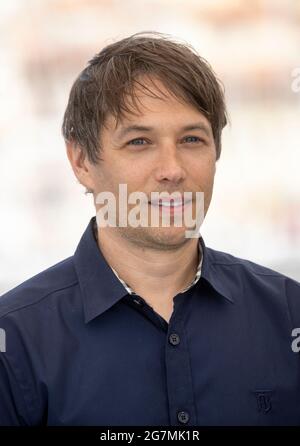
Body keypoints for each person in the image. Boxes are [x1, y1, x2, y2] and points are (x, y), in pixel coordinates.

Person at [0, 31, 299, 427]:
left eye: (192, 139)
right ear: (81, 161)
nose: (172, 170)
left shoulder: (289, 314)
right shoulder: (15, 340)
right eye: (140, 141)